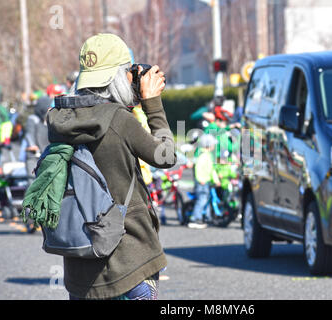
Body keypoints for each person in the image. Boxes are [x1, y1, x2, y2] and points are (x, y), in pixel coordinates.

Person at [47, 33, 175, 300]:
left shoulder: (59, 121)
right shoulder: (118, 119)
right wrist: (152, 104)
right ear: (118, 76)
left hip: (80, 260)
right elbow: (165, 156)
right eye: (129, 72)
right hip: (130, 259)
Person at [188, 133, 220, 229]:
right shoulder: (203, 156)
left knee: (206, 199)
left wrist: (216, 180)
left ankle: (207, 217)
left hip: (206, 181)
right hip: (202, 181)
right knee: (202, 200)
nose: (214, 146)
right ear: (208, 145)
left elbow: (211, 170)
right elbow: (198, 168)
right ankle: (195, 218)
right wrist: (201, 179)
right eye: (213, 144)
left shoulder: (207, 155)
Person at [24, 96, 52, 183]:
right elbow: (29, 134)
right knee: (33, 183)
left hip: (47, 156)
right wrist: (32, 145)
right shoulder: (33, 119)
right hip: (34, 156)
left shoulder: (50, 119)